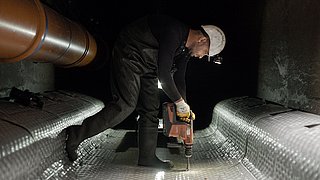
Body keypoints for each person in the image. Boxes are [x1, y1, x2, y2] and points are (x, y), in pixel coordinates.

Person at [65, 14, 226, 169]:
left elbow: (179, 79)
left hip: (149, 66)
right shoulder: (174, 31)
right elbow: (164, 75)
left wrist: (184, 108)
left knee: (151, 108)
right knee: (125, 105)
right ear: (202, 39)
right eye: (205, 52)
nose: (201, 56)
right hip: (129, 56)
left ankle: (147, 158)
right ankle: (75, 135)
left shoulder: (185, 51)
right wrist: (179, 102)